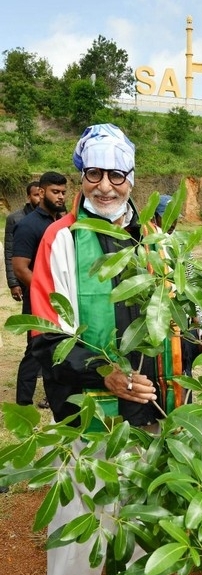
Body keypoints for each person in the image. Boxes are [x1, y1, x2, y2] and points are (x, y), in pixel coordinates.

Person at [29, 124, 173, 575]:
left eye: (117, 175)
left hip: (145, 399)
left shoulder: (154, 239)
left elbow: (167, 318)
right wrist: (105, 376)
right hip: (85, 400)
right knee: (82, 504)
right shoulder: (61, 237)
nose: (106, 186)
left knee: (137, 495)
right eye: (94, 174)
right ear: (80, 177)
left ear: (132, 177)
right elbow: (48, 331)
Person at [12, 172, 68, 407]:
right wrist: (45, 293)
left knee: (60, 350)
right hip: (39, 299)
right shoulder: (28, 225)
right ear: (42, 192)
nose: (61, 197)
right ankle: (23, 402)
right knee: (35, 351)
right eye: (55, 192)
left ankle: (54, 399)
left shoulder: (62, 222)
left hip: (61, 299)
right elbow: (20, 267)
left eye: (64, 192)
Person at [3, 181, 41, 302]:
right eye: (36, 195)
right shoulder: (15, 218)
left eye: (41, 194)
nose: (39, 198)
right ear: (28, 197)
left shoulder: (52, 216)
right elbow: (9, 251)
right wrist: (13, 284)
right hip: (25, 276)